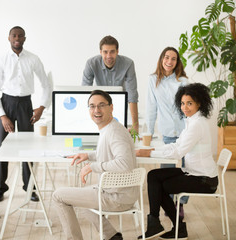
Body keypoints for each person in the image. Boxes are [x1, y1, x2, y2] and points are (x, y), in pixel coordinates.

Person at [52, 90, 138, 240]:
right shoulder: (110, 128)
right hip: (118, 193)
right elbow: (110, 154)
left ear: (111, 107)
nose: (96, 110)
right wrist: (89, 155)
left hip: (117, 197)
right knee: (81, 197)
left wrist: (93, 167)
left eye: (101, 105)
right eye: (92, 106)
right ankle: (112, 236)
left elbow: (125, 163)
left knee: (58, 196)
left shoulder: (114, 132)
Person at [136, 83, 218, 239]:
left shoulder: (197, 124)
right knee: (153, 176)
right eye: (182, 103)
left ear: (199, 103)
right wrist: (152, 151)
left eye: (189, 103)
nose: (184, 107)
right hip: (193, 172)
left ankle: (171, 227)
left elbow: (178, 153)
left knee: (161, 186)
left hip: (204, 179)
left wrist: (149, 154)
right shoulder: (192, 121)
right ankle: (158, 224)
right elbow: (177, 144)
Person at [0, 26, 52, 202]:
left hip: (26, 104)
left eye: (20, 36)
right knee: (3, 148)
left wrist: (41, 107)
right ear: (9, 38)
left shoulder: (33, 59)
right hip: (7, 104)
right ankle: (0, 188)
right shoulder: (1, 59)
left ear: (24, 38)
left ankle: (29, 187)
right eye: (14, 35)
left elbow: (46, 84)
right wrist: (3, 116)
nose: (17, 38)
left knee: (29, 148)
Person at [145, 47, 189, 218]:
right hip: (167, 132)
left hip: (185, 131)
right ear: (161, 58)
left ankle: (181, 203)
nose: (169, 62)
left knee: (188, 170)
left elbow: (190, 107)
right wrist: (148, 134)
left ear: (177, 62)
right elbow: (151, 108)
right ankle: (170, 205)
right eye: (167, 57)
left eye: (173, 59)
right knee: (167, 171)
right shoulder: (153, 80)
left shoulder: (183, 81)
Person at [82, 35, 139, 132]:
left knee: (118, 134)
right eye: (105, 52)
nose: (109, 56)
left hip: (119, 105)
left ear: (117, 51)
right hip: (99, 104)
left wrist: (135, 126)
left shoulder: (128, 64)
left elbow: (132, 94)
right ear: (100, 52)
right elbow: (84, 91)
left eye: (112, 51)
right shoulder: (91, 63)